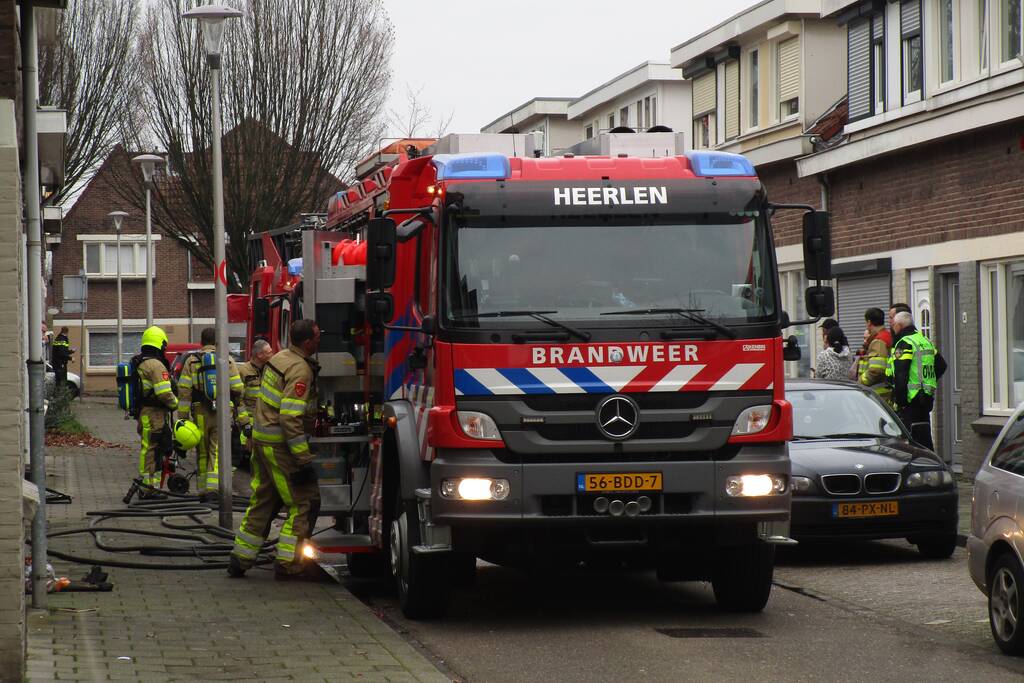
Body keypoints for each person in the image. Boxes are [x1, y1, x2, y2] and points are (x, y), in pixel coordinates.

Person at [229, 319, 322, 580]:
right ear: (307, 342)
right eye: (317, 336)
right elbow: (290, 418)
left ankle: (240, 558)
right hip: (280, 446)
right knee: (303, 502)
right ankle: (288, 564)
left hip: (261, 441)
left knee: (264, 500)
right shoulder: (300, 370)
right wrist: (303, 459)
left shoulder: (280, 358)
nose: (319, 340)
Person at [178, 327, 244, 496]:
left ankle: (202, 490)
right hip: (222, 412)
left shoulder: (191, 361)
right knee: (217, 450)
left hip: (199, 412)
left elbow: (184, 390)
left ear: (201, 342)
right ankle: (213, 489)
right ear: (217, 342)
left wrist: (183, 417)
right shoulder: (226, 360)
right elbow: (238, 387)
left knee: (202, 451)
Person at [887, 311, 947, 450]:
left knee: (910, 445)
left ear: (899, 325)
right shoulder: (924, 340)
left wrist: (900, 402)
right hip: (925, 399)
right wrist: (927, 382)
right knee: (925, 441)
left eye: (894, 324)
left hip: (909, 402)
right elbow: (941, 365)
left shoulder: (904, 343)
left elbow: (901, 375)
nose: (893, 328)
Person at [135, 326, 179, 497]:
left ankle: (151, 486)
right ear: (160, 343)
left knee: (154, 448)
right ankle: (148, 487)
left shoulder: (140, 361)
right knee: (152, 449)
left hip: (146, 413)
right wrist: (175, 404)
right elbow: (164, 393)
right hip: (153, 414)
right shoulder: (155, 365)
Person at [236, 339, 273, 451]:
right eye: (269, 352)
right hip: (249, 424)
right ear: (259, 355)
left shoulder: (270, 370)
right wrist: (246, 425)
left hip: (266, 422)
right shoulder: (243, 371)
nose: (272, 355)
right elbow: (238, 401)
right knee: (249, 458)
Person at [857, 307, 893, 402]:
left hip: (878, 396)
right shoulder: (888, 336)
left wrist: (860, 381)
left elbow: (876, 370)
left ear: (869, 322)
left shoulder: (879, 341)